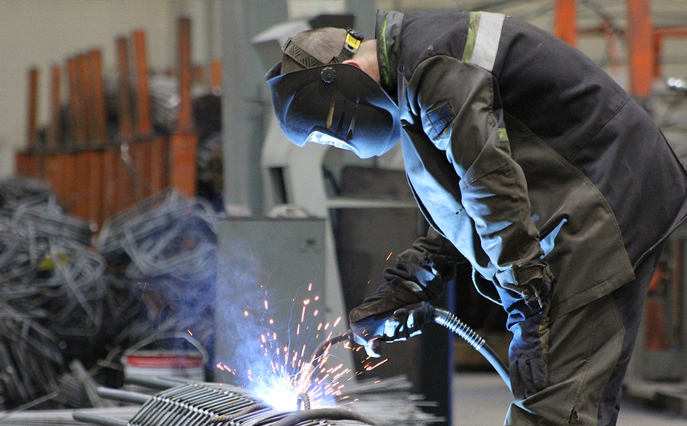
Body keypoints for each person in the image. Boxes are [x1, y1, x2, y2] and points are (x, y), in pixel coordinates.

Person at [265, 9, 687, 426]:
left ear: (351, 73)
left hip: (609, 194)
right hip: (586, 191)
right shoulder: (412, 80)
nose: (342, 146)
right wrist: (414, 280)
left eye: (332, 132)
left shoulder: (432, 67)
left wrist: (527, 297)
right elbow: (465, 200)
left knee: (554, 402)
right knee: (551, 387)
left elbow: (489, 182)